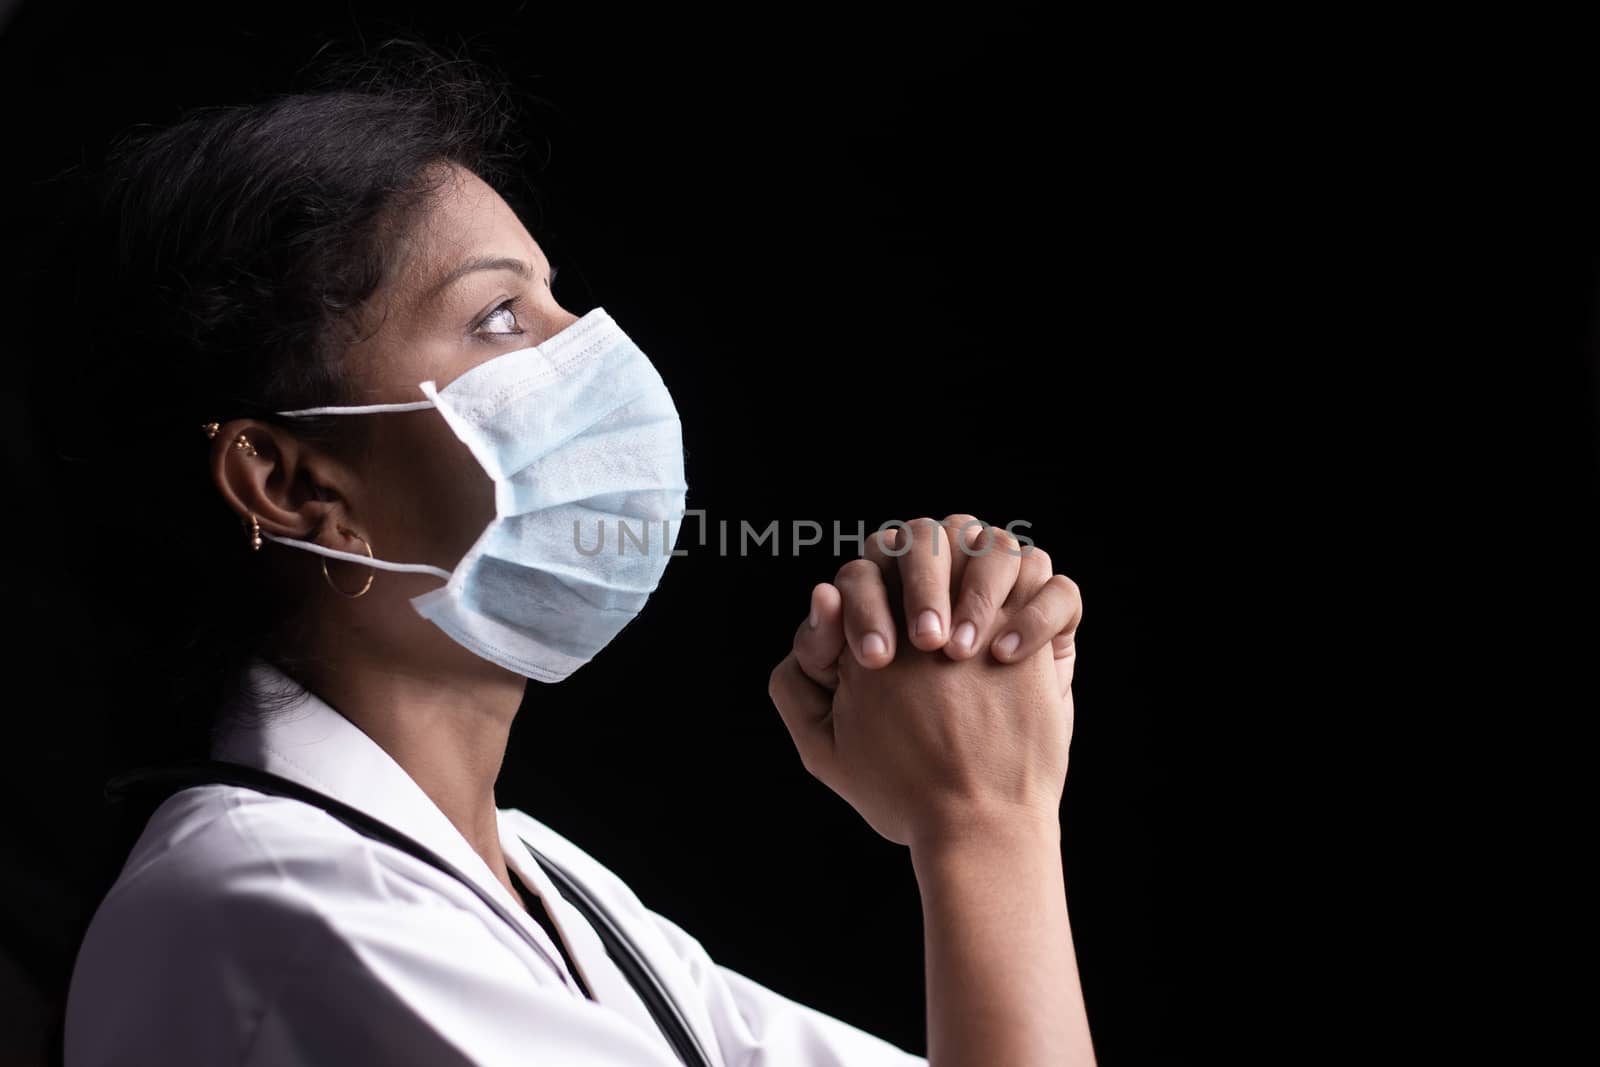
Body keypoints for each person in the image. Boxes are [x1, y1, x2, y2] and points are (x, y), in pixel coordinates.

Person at [45, 40, 1093, 1066]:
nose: (594, 351)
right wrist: (984, 819)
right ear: (296, 485)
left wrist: (972, 729)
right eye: (499, 316)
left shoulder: (538, 880)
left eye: (556, 296)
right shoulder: (285, 913)